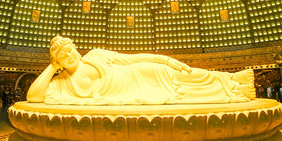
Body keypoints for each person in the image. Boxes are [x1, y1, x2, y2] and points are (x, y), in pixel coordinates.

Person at [26, 36, 255, 105]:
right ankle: (231, 90)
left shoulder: (95, 55)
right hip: (132, 95)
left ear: (76, 48)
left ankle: (229, 79)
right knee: (186, 95)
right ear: (59, 63)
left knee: (182, 75)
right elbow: (33, 97)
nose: (71, 56)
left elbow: (131, 59)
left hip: (138, 74)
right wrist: (52, 67)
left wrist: (164, 60)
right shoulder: (62, 81)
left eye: (71, 50)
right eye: (64, 57)